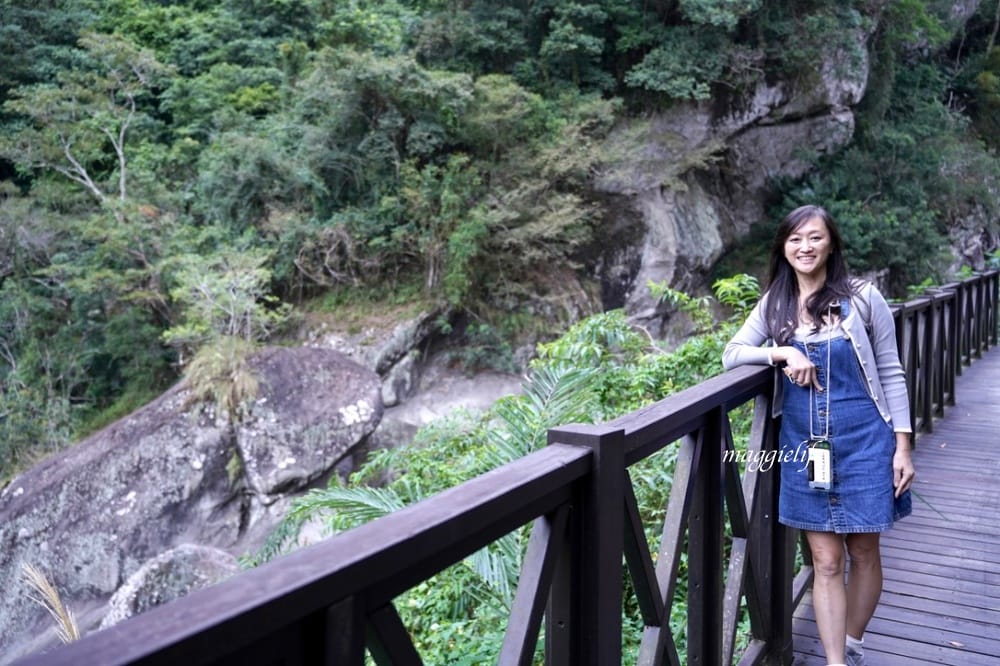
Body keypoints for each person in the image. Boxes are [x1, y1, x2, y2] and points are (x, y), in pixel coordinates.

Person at [722, 204, 915, 666]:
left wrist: (903, 446)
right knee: (826, 560)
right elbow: (732, 354)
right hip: (808, 447)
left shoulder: (864, 298)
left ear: (831, 243)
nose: (804, 247)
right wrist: (782, 351)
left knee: (864, 547)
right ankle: (835, 663)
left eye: (814, 238)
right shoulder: (775, 304)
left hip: (868, 440)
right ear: (783, 248)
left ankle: (851, 643)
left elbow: (890, 371)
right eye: (795, 239)